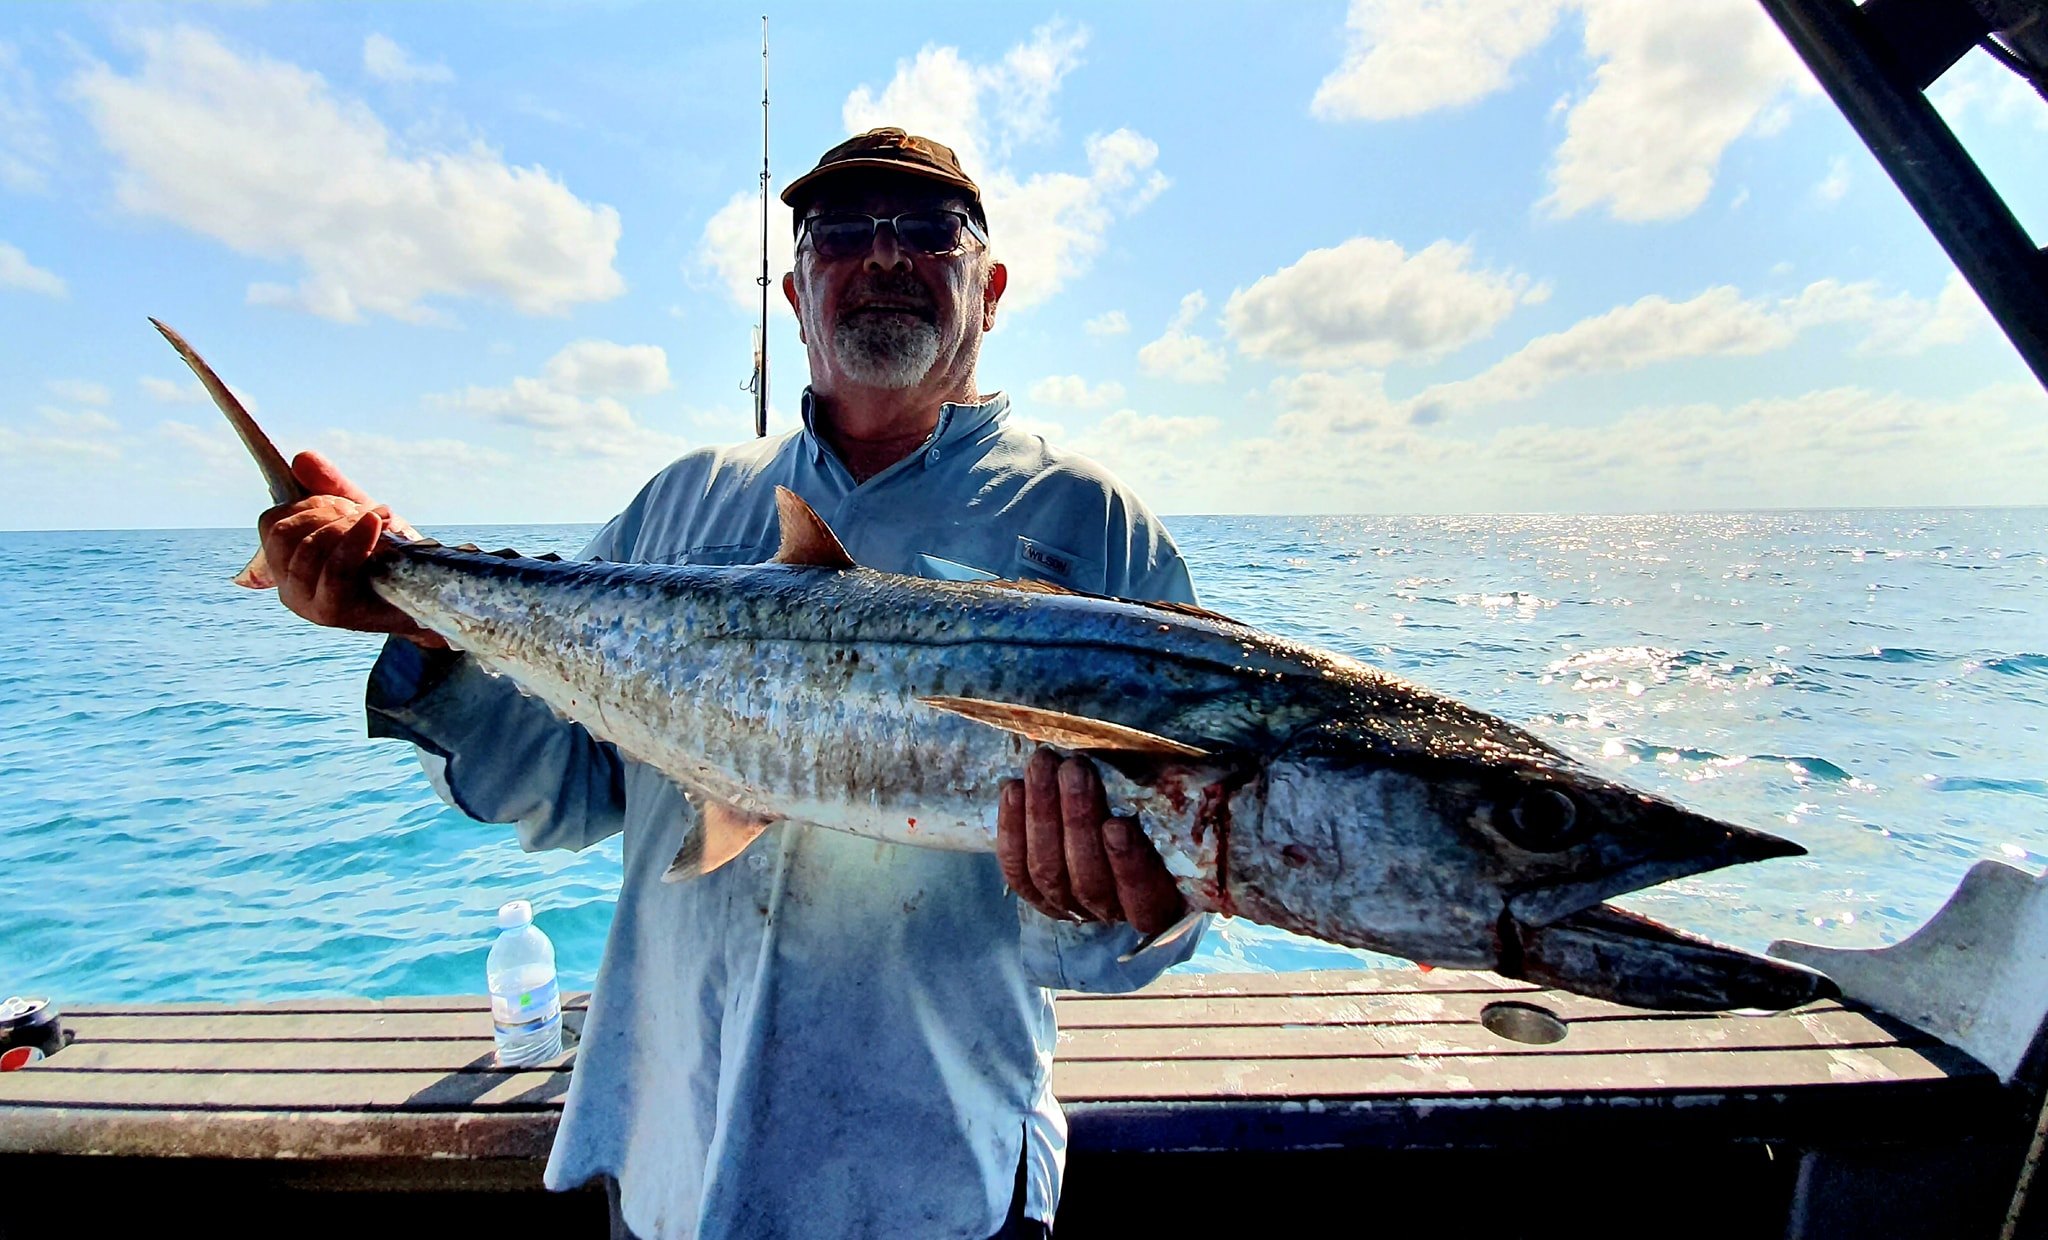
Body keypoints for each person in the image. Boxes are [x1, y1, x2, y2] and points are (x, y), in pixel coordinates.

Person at [257, 128, 1205, 1239]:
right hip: (672, 1146)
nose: (882, 256)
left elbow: (1159, 902)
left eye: (927, 229)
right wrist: (414, 625)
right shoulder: (681, 505)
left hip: (933, 1169)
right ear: (796, 293)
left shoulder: (1092, 528)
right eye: (839, 233)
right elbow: (555, 784)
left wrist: (1121, 900)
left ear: (988, 289)